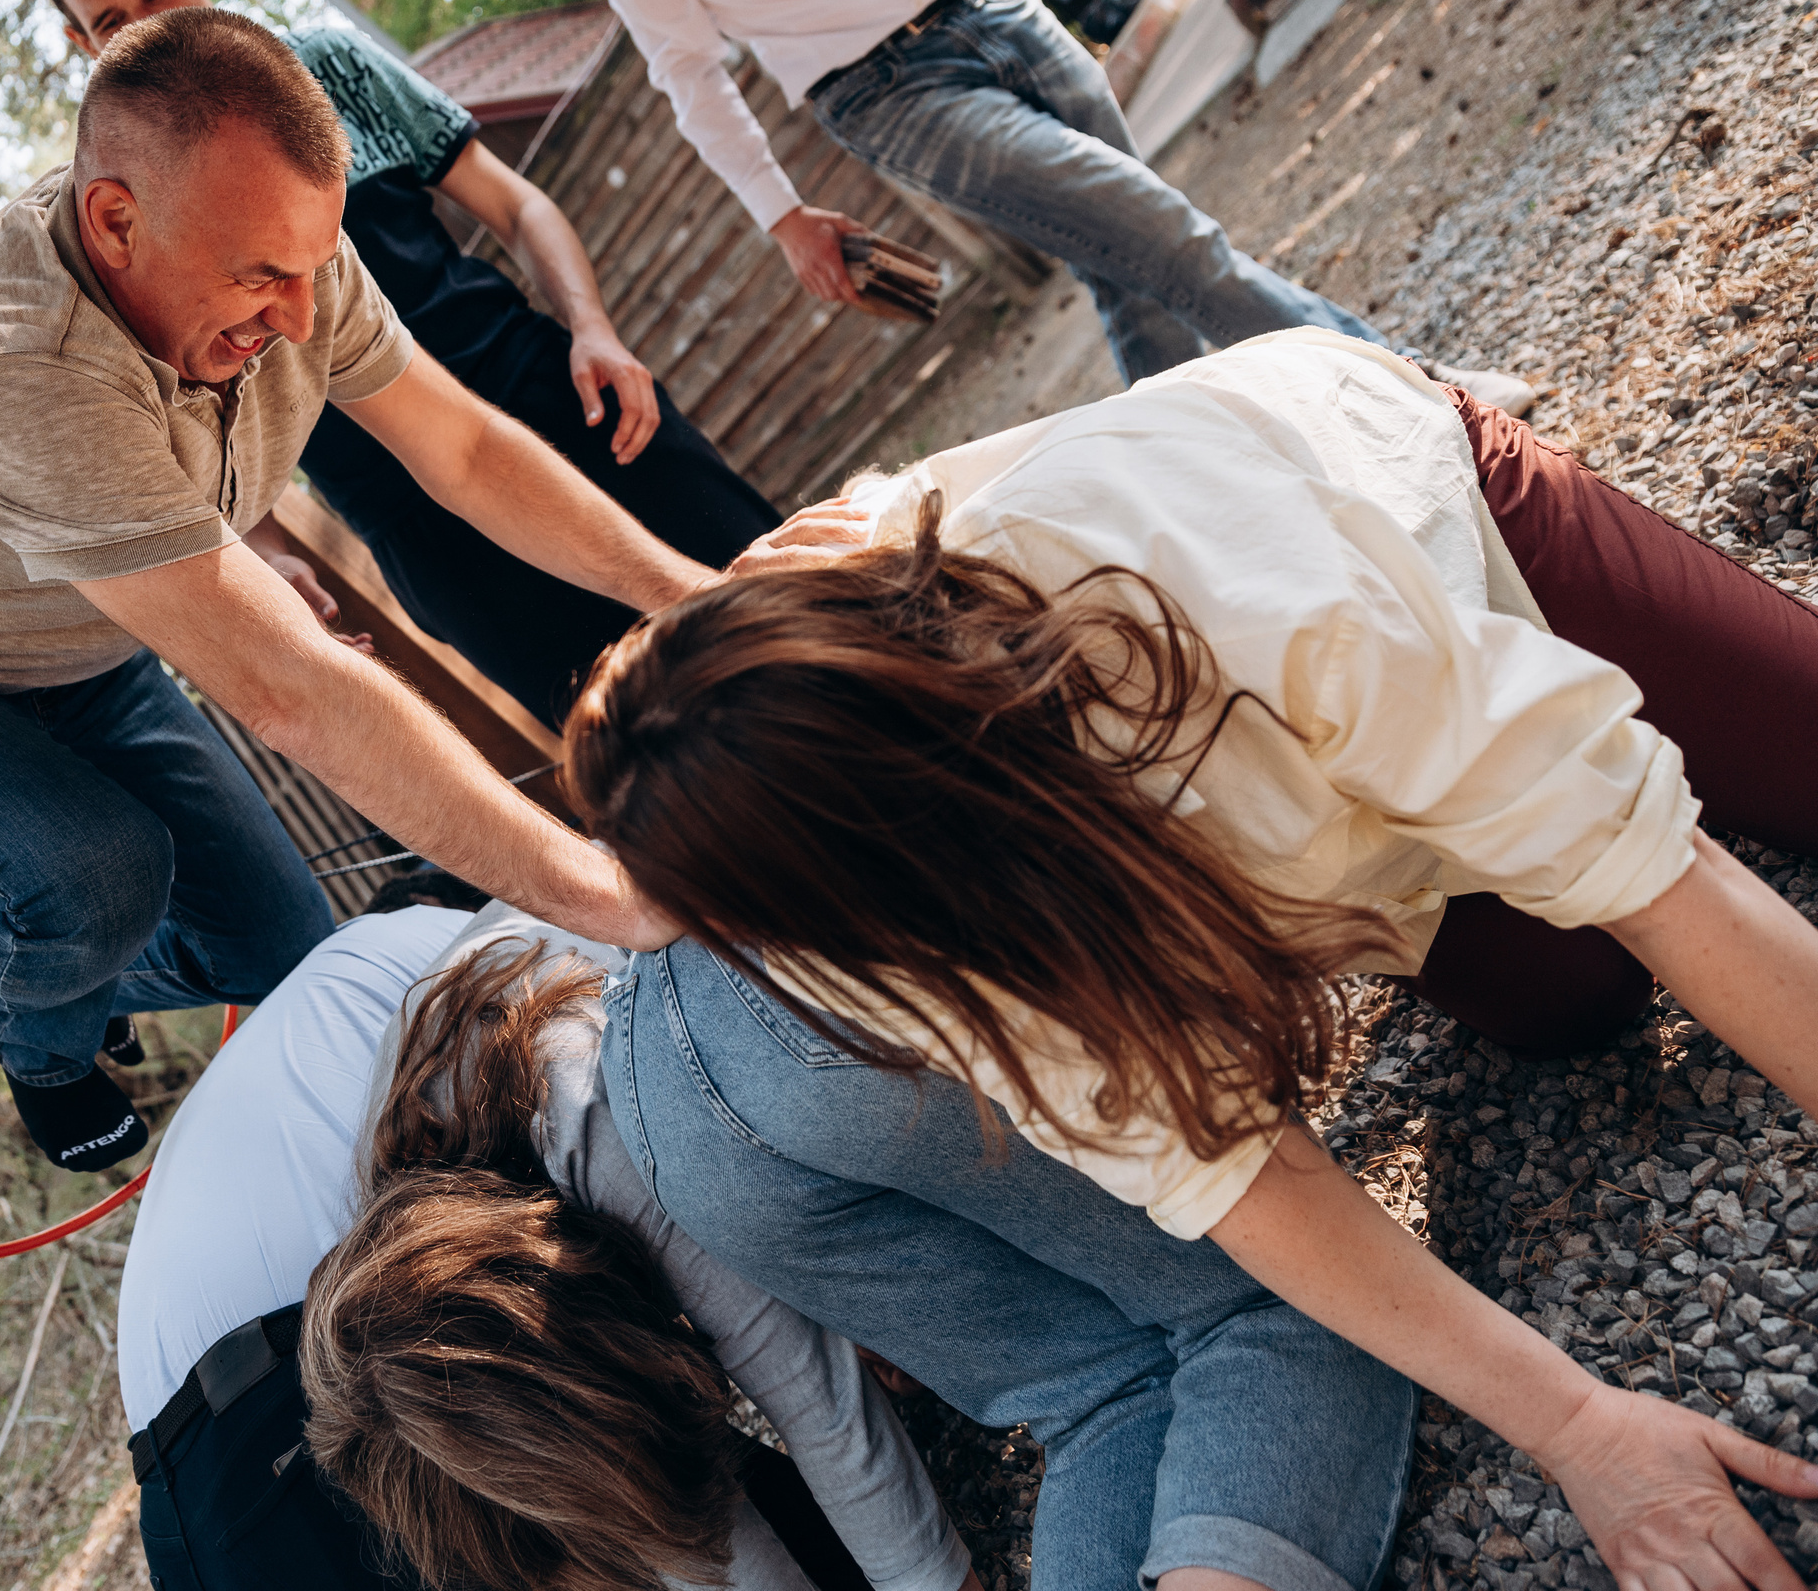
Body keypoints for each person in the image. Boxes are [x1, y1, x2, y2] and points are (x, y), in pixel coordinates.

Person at [561, 329, 1818, 1590]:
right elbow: (1235, 1175)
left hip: (1417, 521)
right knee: (1570, 1008)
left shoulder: (1188, 568)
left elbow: (1657, 873)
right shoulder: (883, 931)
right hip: (1287, 813)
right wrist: (1582, 1429)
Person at [0, 8, 708, 1176]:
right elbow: (293, 693)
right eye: (261, 278)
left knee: (289, 951)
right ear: (115, 221)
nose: (301, 317)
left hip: (76, 652)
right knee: (96, 869)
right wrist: (607, 898)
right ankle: (39, 1033)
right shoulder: (11, 366)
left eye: (311, 269)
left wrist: (687, 591)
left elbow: (468, 455)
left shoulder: (289, 255)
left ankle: (88, 964)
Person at [296, 901, 1417, 1591]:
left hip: (771, 1035)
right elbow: (670, 1525)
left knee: (1220, 1316)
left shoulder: (604, 1136)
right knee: (1097, 1389)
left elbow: (813, 1403)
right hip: (766, 1057)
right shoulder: (408, 1230)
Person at [34, 0, 783, 727]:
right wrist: (270, 554)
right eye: (108, 22)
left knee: (785, 608)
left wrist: (593, 331)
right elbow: (187, 422)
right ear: (81, 45)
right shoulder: (126, 213)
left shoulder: (333, 66)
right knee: (658, 750)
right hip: (423, 530)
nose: (144, 25)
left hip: (552, 402)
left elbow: (518, 207)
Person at [116, 894, 970, 1591]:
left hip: (236, 1405)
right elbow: (625, 1495)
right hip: (259, 1393)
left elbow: (801, 1389)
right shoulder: (410, 1225)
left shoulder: (583, 1106)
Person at [559, 0, 1536, 406]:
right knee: (1164, 239)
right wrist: (780, 216)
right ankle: (1432, 403)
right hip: (888, 92)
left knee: (1122, 267)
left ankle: (1221, 500)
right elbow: (685, 69)